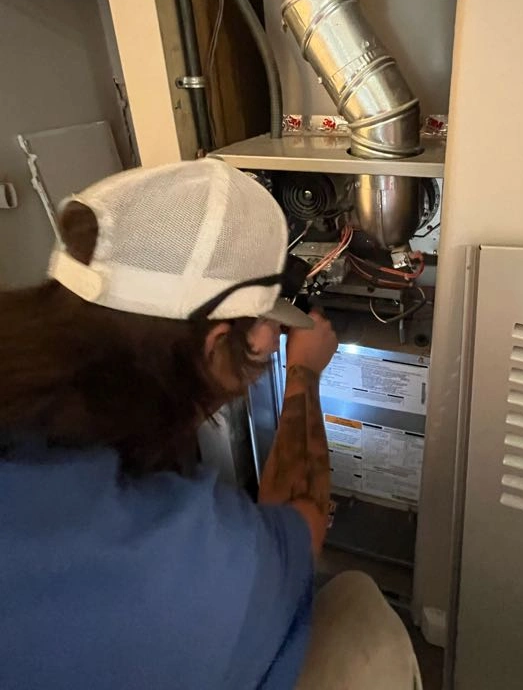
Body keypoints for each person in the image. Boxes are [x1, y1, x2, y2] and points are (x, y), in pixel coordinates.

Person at [0, 159, 421, 690]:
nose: (273, 341)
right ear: (216, 343)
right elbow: (305, 522)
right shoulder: (181, 560)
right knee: (359, 611)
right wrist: (304, 376)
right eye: (269, 324)